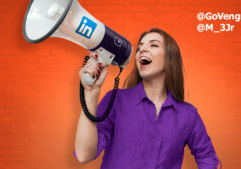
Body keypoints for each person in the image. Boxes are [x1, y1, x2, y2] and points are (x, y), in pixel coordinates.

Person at [74, 28, 221, 169]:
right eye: (139, 47)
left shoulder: (188, 115)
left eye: (154, 45)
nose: (142, 50)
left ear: (170, 59)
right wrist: (91, 94)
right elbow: (84, 155)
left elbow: (207, 157)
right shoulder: (116, 100)